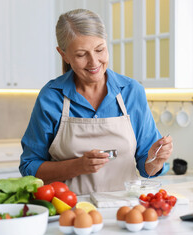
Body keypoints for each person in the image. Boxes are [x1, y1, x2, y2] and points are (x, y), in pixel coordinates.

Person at [19, 9, 173, 195]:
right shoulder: (51, 97)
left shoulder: (132, 91)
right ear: (64, 55)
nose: (94, 62)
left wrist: (155, 161)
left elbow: (145, 168)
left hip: (124, 210)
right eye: (81, 54)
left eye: (100, 50)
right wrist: (77, 166)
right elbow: (29, 166)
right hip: (69, 211)